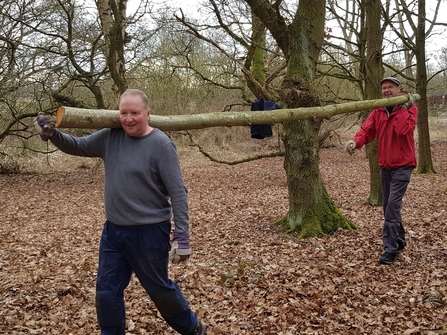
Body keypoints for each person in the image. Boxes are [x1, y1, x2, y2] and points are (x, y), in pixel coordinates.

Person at [34, 89, 206, 334]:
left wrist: (182, 236)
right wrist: (52, 133)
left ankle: (192, 327)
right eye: (123, 113)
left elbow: (178, 193)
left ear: (147, 114)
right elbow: (78, 146)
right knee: (106, 292)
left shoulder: (161, 145)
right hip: (114, 232)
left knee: (159, 289)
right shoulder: (110, 136)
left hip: (149, 233)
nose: (128, 119)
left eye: (135, 113)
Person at [344, 77, 418, 265]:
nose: (386, 91)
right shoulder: (378, 110)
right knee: (388, 207)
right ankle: (400, 240)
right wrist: (355, 141)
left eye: (390, 87)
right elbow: (366, 131)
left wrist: (402, 108)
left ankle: (390, 249)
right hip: (385, 167)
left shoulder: (410, 108)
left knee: (392, 207)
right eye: (384, 88)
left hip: (403, 165)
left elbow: (403, 131)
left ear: (398, 89)